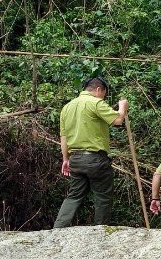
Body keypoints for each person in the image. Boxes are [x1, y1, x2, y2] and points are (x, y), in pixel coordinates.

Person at [53, 76, 128, 228]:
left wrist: (66, 159)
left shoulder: (67, 107)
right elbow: (118, 120)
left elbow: (64, 137)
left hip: (76, 159)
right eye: (104, 94)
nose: (104, 97)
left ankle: (58, 228)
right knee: (102, 197)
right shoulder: (96, 102)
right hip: (95, 160)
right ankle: (100, 231)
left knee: (74, 196)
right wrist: (123, 107)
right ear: (98, 89)